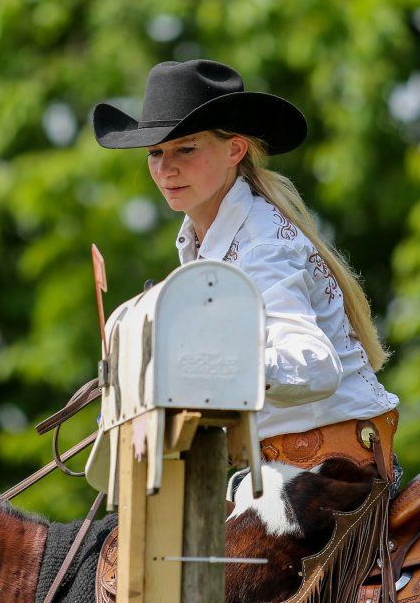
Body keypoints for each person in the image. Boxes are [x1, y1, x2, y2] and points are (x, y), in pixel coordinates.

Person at [92, 60, 401, 492]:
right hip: (278, 472)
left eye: (186, 149)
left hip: (331, 472)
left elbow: (316, 367)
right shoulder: (209, 242)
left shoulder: (261, 247)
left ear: (235, 151)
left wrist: (200, 367)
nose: (165, 169)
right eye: (155, 153)